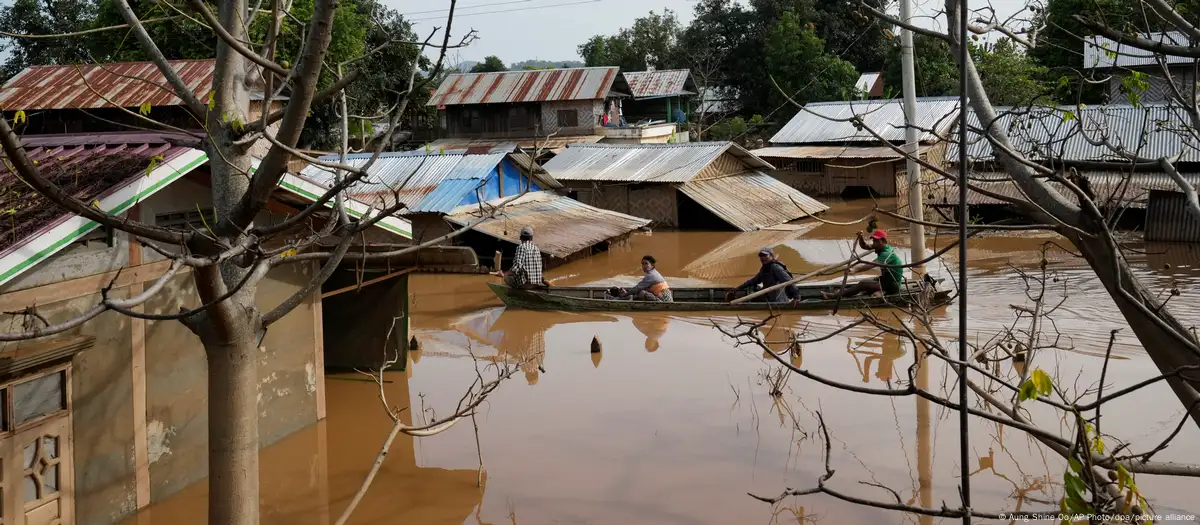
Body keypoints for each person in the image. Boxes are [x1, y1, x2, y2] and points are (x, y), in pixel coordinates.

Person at [822, 229, 904, 299]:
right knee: (866, 285)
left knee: (862, 284)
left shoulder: (886, 253)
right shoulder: (881, 247)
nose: (874, 243)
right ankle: (880, 291)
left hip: (892, 286)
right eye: (874, 241)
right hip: (885, 280)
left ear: (883, 241)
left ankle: (834, 296)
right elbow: (865, 246)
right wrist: (860, 237)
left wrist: (854, 269)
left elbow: (871, 264)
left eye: (876, 241)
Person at [731, 247, 801, 303]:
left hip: (778, 301)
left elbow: (789, 282)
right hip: (768, 298)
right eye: (761, 256)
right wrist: (738, 288)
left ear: (771, 256)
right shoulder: (764, 268)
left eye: (765, 255)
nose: (762, 258)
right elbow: (753, 281)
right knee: (752, 294)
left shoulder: (775, 267)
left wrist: (797, 298)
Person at [605, 255, 672, 302]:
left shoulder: (651, 275)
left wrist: (626, 294)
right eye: (642, 264)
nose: (644, 266)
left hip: (664, 299)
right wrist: (629, 293)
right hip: (662, 295)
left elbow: (638, 288)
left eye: (646, 264)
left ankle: (659, 303)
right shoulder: (653, 273)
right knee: (640, 292)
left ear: (652, 265)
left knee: (640, 292)